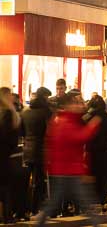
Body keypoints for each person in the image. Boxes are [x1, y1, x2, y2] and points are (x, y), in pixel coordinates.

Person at [35, 91, 101, 226]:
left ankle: (41, 219)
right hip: (68, 169)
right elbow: (78, 137)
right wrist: (92, 126)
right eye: (75, 103)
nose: (79, 106)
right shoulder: (65, 121)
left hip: (64, 168)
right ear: (68, 105)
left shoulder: (62, 120)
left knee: (59, 199)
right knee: (83, 199)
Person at [21, 87, 52, 216]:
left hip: (27, 149)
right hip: (41, 150)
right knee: (39, 181)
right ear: (44, 97)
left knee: (26, 181)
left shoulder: (26, 112)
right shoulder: (46, 112)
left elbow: (22, 131)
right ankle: (35, 208)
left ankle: (24, 208)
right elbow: (49, 132)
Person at [84, 96, 107, 212]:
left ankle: (91, 202)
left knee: (92, 176)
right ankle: (103, 203)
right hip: (105, 151)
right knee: (104, 177)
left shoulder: (87, 117)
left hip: (90, 151)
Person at [0, 86, 21, 223]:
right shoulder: (9, 113)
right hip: (4, 155)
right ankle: (7, 216)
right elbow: (9, 137)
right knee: (6, 186)